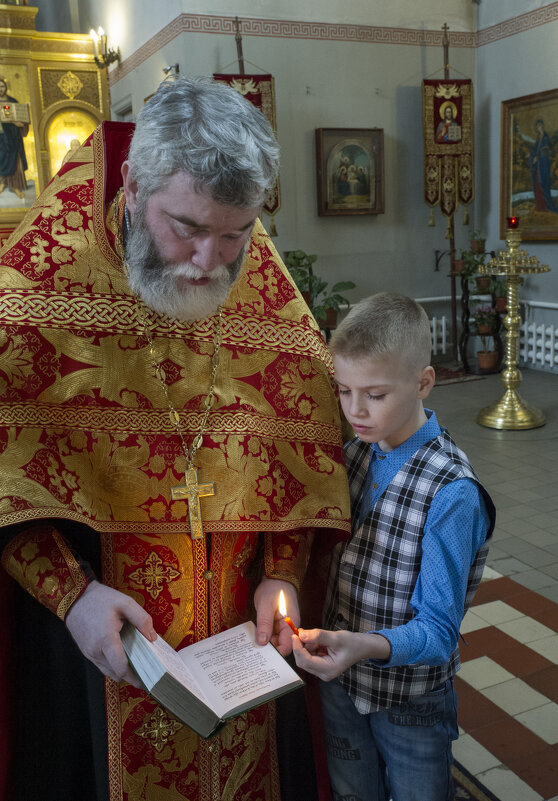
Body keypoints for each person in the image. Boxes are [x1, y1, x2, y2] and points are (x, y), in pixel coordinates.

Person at [0, 76, 351, 801]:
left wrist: (282, 569)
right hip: (98, 641)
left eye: (236, 234)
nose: (211, 262)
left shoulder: (258, 286)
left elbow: (300, 441)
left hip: (241, 642)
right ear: (132, 188)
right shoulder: (34, 293)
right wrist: (71, 595)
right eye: (187, 227)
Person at [292, 292, 495, 801]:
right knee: (352, 793)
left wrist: (362, 646)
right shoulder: (355, 452)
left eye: (375, 395)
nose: (355, 411)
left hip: (410, 701)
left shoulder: (451, 493)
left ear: (424, 381)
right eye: (344, 391)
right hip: (340, 682)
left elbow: (437, 633)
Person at [0, 76, 29, 199]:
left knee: (15, 159)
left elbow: (21, 116)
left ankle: (15, 186)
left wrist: (21, 123)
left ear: (6, 88)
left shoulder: (13, 101)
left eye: (2, 86)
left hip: (13, 136)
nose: (0, 89)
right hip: (0, 135)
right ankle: (2, 183)